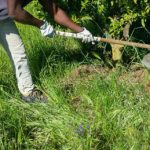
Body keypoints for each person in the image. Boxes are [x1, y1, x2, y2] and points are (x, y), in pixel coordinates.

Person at [0, 0, 94, 102]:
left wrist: (81, 31)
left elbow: (55, 11)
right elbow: (14, 12)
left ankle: (29, 93)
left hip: (3, 18)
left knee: (18, 54)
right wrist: (41, 24)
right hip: (10, 13)